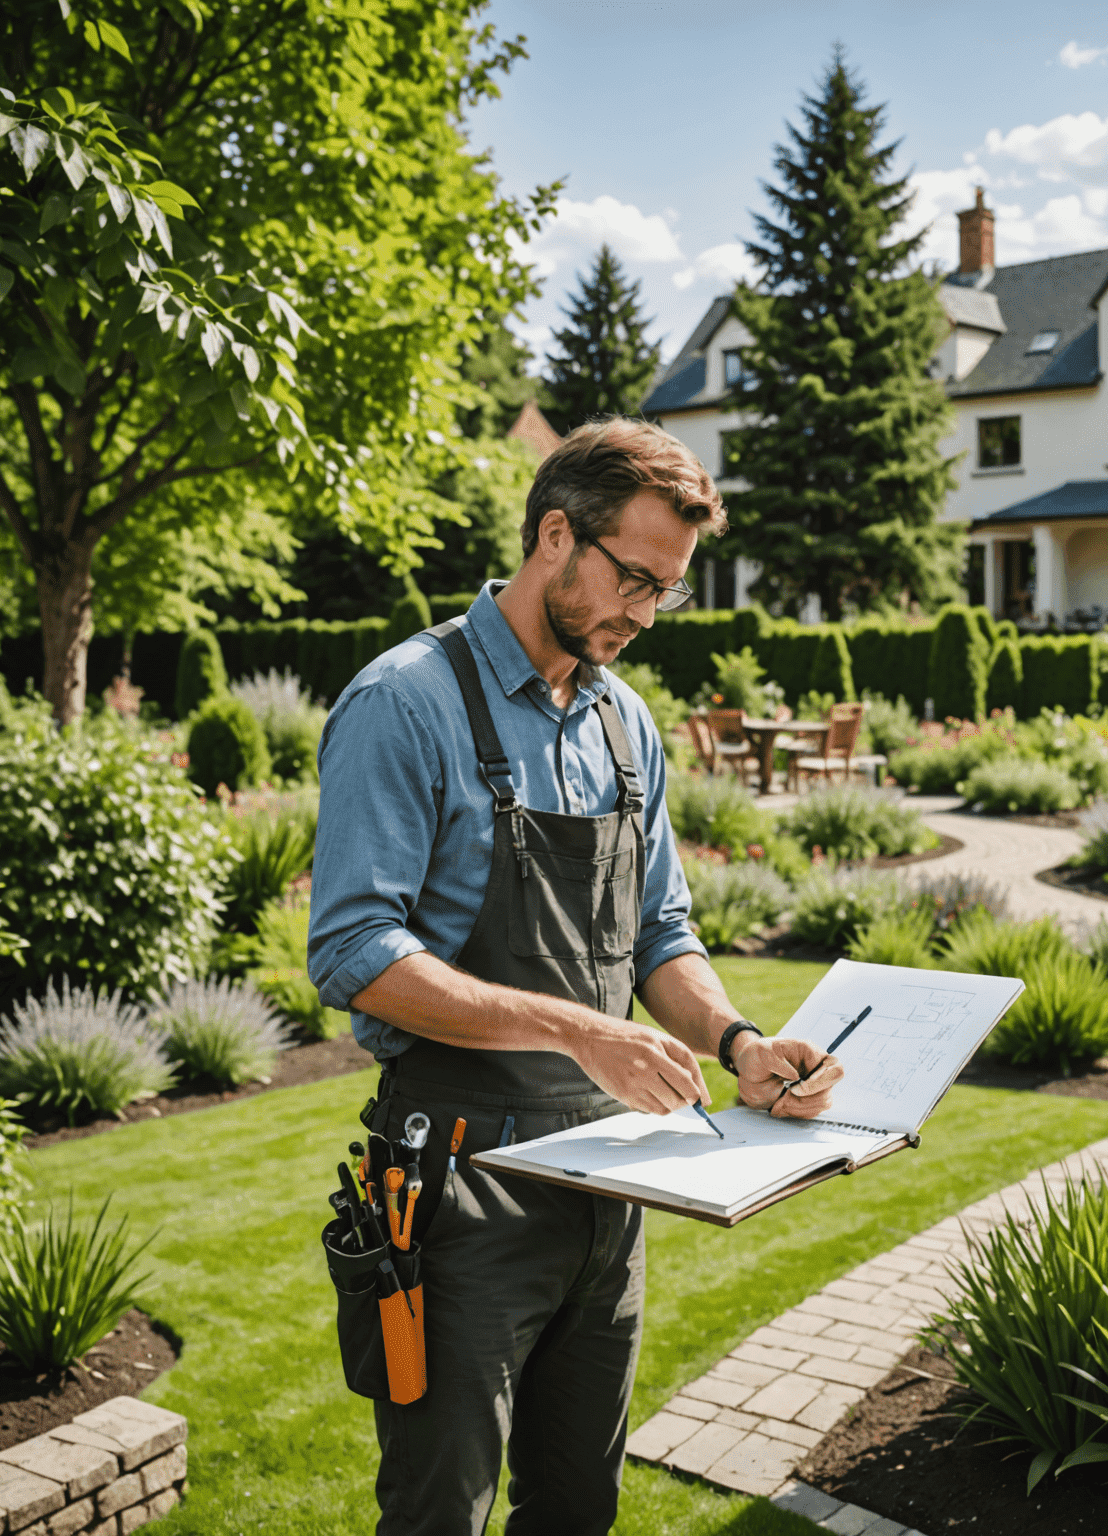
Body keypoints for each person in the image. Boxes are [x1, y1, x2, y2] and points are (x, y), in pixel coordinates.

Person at [308, 417, 843, 1536]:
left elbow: (659, 934)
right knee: (438, 1509)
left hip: (609, 1181)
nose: (645, 616)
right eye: (635, 581)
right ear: (556, 534)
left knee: (577, 1507)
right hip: (458, 1183)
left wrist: (740, 1044)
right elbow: (355, 951)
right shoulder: (405, 702)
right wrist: (579, 1032)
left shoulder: (620, 719)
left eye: (666, 592)